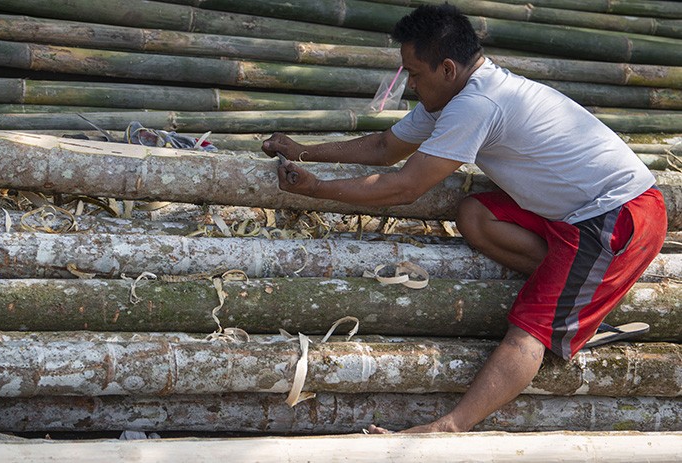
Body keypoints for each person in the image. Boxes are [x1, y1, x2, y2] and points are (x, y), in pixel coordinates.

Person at [262, 4, 666, 433]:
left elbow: (405, 186)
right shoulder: (456, 91)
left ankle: (449, 428)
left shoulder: (477, 104)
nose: (412, 85)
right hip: (575, 213)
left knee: (527, 331)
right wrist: (303, 150)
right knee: (475, 213)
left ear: (448, 68)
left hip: (618, 216)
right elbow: (385, 147)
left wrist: (317, 190)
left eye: (414, 74)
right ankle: (582, 300)